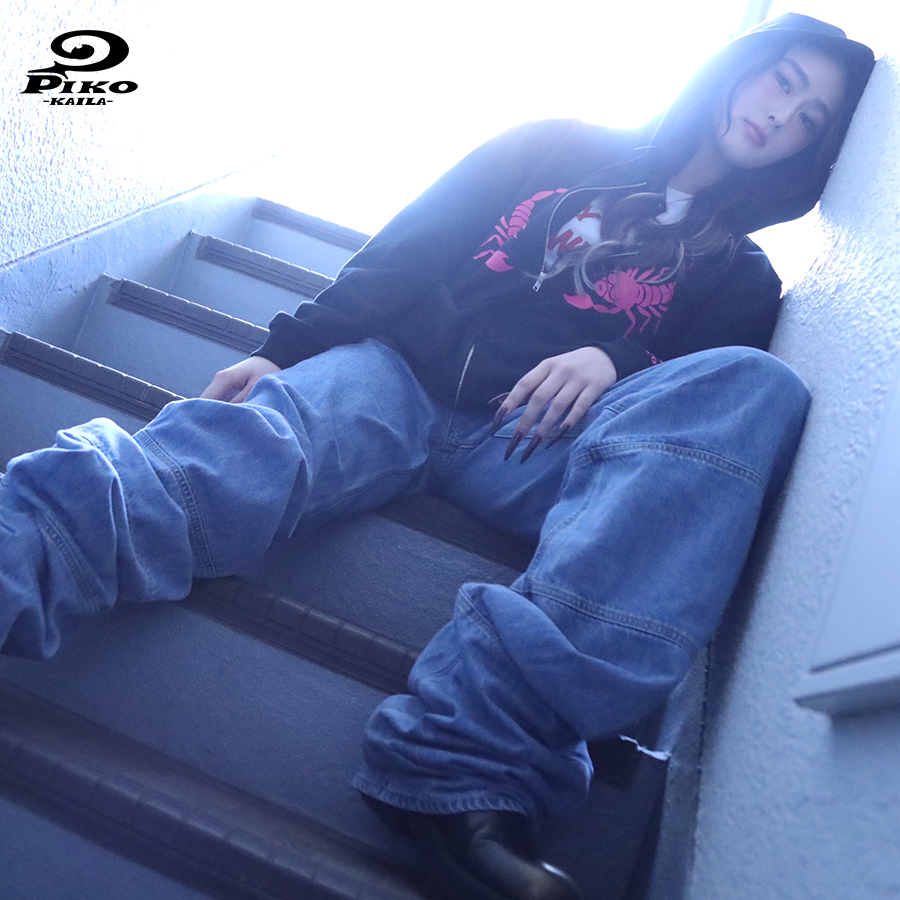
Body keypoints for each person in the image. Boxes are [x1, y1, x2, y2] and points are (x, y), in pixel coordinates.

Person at [0, 13, 874, 900]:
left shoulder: (745, 278)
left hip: (541, 447)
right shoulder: (554, 145)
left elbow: (684, 422)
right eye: (784, 82)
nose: (782, 116)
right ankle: (17, 558)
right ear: (744, 66)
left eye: (810, 121)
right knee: (247, 446)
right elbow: (411, 247)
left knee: (757, 383)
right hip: (399, 377)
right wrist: (290, 347)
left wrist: (618, 358)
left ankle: (468, 767)